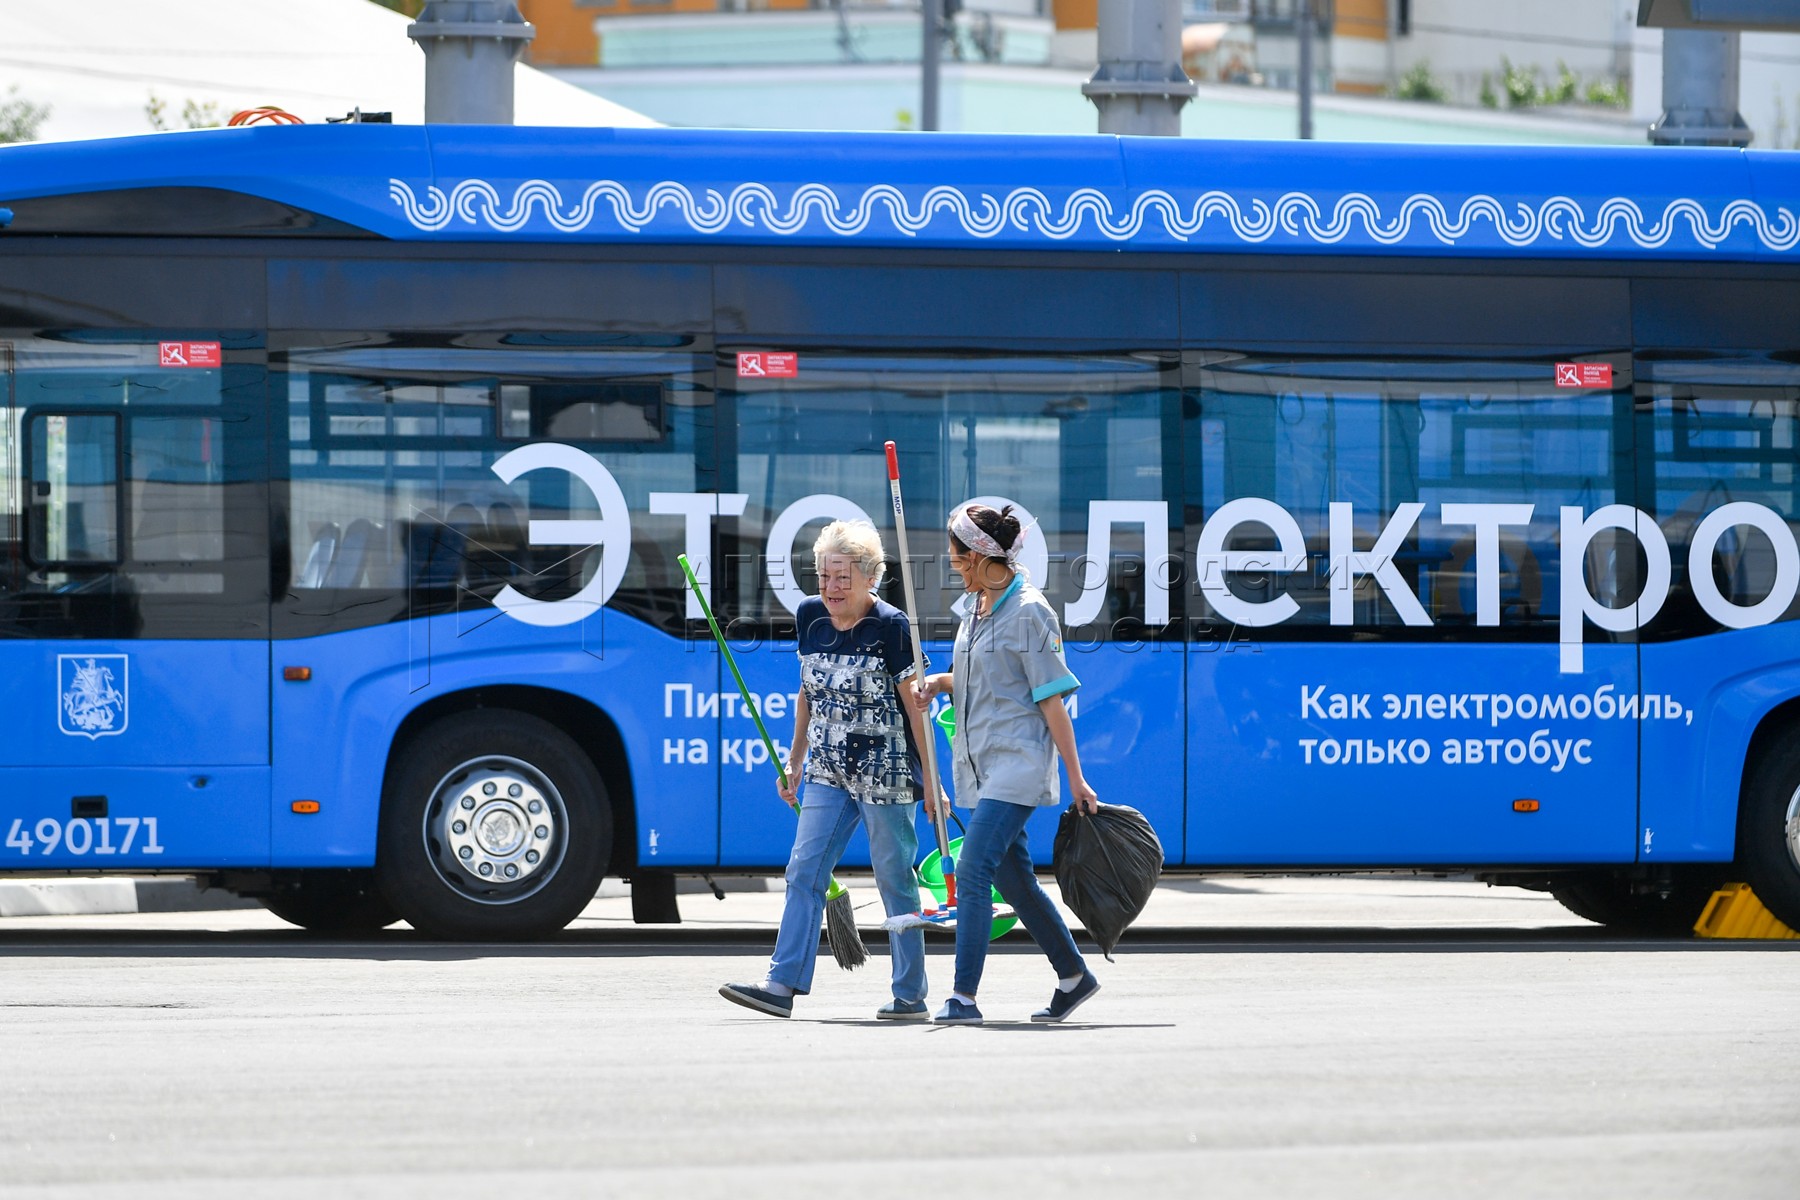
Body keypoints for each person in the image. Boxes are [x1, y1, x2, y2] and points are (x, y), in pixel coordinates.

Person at [720, 519, 938, 1020]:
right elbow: (806, 694)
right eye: (823, 576)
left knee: (894, 879)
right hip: (826, 771)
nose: (830, 588)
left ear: (869, 577)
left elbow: (915, 708)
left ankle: (910, 995)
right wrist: (794, 760)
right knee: (803, 870)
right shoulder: (810, 616)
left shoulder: (893, 627)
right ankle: (781, 983)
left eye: (842, 577)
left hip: (885, 773)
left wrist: (933, 785)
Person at [906, 502, 1100, 1025]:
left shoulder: (1031, 612)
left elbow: (1052, 699)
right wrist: (940, 684)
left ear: (977, 556)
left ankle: (962, 998)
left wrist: (1077, 778)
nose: (949, 562)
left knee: (972, 871)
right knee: (1015, 883)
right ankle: (1074, 977)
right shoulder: (974, 608)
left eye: (955, 553)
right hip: (978, 765)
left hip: (1017, 765)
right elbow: (975, 679)